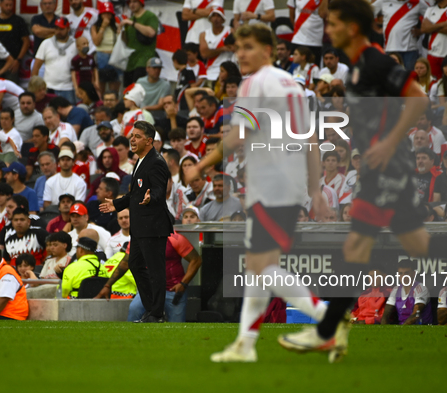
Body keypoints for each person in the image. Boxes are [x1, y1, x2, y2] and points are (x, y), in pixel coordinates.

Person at [278, 0, 447, 360]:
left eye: (334, 23)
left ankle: (329, 332)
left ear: (353, 26)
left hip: (389, 168)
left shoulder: (375, 61)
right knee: (417, 244)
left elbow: (418, 98)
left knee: (357, 248)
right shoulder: (356, 67)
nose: (328, 30)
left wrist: (388, 144)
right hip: (380, 169)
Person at [183, 23, 329, 361]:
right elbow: (310, 141)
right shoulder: (291, 84)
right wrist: (314, 190)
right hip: (285, 186)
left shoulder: (255, 83)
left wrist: (200, 166)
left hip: (271, 186)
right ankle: (245, 345)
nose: (241, 53)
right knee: (258, 267)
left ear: (267, 49)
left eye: (248, 47)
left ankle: (328, 317)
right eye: (238, 47)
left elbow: (236, 138)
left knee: (261, 268)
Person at [97, 121, 175, 323]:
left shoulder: (156, 162)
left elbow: (159, 189)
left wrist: (152, 198)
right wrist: (118, 203)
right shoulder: (140, 161)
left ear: (149, 140)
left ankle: (157, 313)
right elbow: (135, 194)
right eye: (132, 135)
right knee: (135, 264)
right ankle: (153, 310)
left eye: (137, 136)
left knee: (155, 269)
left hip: (154, 225)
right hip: (141, 227)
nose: (132, 139)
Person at [126, 232, 202, 322]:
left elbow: (196, 260)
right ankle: (134, 335)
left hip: (173, 289)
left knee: (176, 326)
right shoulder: (139, 238)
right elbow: (126, 263)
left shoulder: (175, 238)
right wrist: (108, 285)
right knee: (134, 310)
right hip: (150, 289)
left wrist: (183, 284)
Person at [31, 17, 78, 104]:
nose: (58, 31)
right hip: (49, 87)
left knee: (68, 114)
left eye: (61, 29)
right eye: (56, 28)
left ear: (68, 29)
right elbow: (36, 67)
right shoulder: (46, 43)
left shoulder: (75, 44)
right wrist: (35, 88)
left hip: (69, 88)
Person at [0, 0, 30, 83]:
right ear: (0, 5)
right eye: (6, 5)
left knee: (12, 89)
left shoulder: (19, 21)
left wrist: (18, 60)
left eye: (10, 5)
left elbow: (26, 42)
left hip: (12, 62)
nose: (9, 7)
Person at [381, 260, 432, 325]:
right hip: (403, 329)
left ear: (413, 274)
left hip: (421, 330)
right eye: (400, 273)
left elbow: (415, 315)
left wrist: (401, 331)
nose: (403, 277)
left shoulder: (420, 288)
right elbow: (385, 315)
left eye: (406, 273)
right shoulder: (396, 290)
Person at [121, 0, 159, 86]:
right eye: (129, 2)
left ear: (141, 3)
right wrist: (120, 31)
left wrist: (133, 23)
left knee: (139, 88)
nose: (131, 4)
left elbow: (151, 32)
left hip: (144, 60)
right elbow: (126, 41)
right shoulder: (129, 20)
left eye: (134, 1)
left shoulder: (150, 16)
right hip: (130, 61)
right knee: (128, 91)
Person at [421, 0, 447, 80]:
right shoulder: (430, 9)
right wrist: (442, 24)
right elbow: (424, 28)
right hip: (432, 54)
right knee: (433, 82)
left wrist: (431, 27)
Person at [200, 8, 232, 84]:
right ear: (210, 19)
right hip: (210, 73)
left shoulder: (231, 31)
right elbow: (204, 54)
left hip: (228, 73)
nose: (216, 19)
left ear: (223, 19)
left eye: (219, 16)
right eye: (213, 16)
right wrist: (222, 49)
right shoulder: (204, 34)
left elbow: (235, 48)